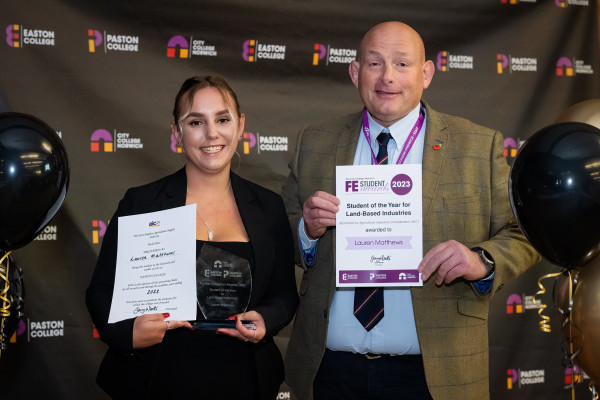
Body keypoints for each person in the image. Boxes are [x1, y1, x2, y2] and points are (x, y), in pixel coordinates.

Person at [281, 21, 540, 400]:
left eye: (402, 64)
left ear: (426, 73)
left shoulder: (478, 146)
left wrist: (482, 260)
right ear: (356, 72)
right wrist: (307, 231)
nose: (388, 77)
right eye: (375, 64)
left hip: (436, 375)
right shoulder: (314, 142)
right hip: (330, 371)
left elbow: (524, 232)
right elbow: (281, 231)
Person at [86, 76, 299, 399]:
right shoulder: (142, 203)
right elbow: (101, 291)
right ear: (176, 132)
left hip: (245, 381)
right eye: (196, 121)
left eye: (222, 119)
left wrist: (266, 320)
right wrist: (128, 333)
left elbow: (284, 295)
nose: (212, 133)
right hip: (156, 378)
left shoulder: (268, 207)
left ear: (240, 126)